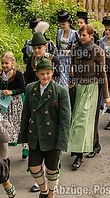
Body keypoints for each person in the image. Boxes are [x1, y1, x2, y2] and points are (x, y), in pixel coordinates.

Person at [18, 57, 71, 198]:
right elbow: (26, 114)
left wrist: (62, 141)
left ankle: (51, 194)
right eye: (42, 73)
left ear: (52, 73)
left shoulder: (60, 91)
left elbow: (65, 119)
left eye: (48, 73)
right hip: (35, 135)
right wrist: (23, 136)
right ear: (37, 74)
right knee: (34, 168)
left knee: (52, 169)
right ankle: (44, 189)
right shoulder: (30, 89)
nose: (45, 76)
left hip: (52, 137)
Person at [69, 25, 110, 170]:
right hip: (78, 87)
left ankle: (78, 155)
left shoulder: (97, 51)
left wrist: (106, 96)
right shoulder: (75, 49)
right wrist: (71, 81)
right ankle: (95, 145)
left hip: (92, 88)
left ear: (91, 36)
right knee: (78, 118)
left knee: (83, 120)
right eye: (80, 35)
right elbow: (72, 67)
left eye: (84, 35)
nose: (81, 37)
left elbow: (103, 74)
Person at [0, 51, 25, 145]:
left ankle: (24, 145)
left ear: (12, 63)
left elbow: (22, 88)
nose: (4, 65)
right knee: (6, 121)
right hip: (5, 101)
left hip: (15, 101)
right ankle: (9, 140)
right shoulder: (0, 74)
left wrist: (11, 92)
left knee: (17, 121)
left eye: (6, 63)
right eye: (2, 63)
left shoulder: (17, 74)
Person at [56, 11, 79, 88]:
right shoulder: (59, 32)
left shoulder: (74, 34)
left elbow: (78, 48)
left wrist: (70, 51)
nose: (62, 26)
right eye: (61, 24)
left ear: (69, 23)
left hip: (69, 61)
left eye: (63, 24)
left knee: (67, 83)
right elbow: (57, 46)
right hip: (60, 60)